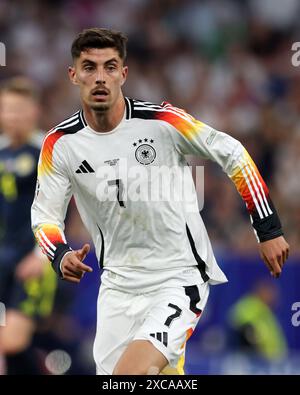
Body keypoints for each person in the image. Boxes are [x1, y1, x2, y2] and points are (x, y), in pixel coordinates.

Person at [31, 28, 289, 375]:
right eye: (89, 67)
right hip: (117, 285)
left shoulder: (162, 121)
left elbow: (233, 153)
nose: (100, 78)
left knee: (128, 377)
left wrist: (268, 228)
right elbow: (45, 216)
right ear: (73, 75)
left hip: (178, 276)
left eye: (110, 67)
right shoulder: (59, 144)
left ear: (123, 74)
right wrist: (59, 254)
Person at [0, 77, 57, 374]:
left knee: (11, 341)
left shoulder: (47, 151)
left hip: (31, 260)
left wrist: (40, 254)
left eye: (19, 109)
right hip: (1, 260)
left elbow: (60, 207)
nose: (13, 116)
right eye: (7, 109)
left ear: (34, 111)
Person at [228, 279, 287, 361]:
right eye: (269, 292)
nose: (273, 296)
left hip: (273, 362)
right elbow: (241, 329)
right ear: (261, 291)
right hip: (253, 361)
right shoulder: (249, 306)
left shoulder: (268, 313)